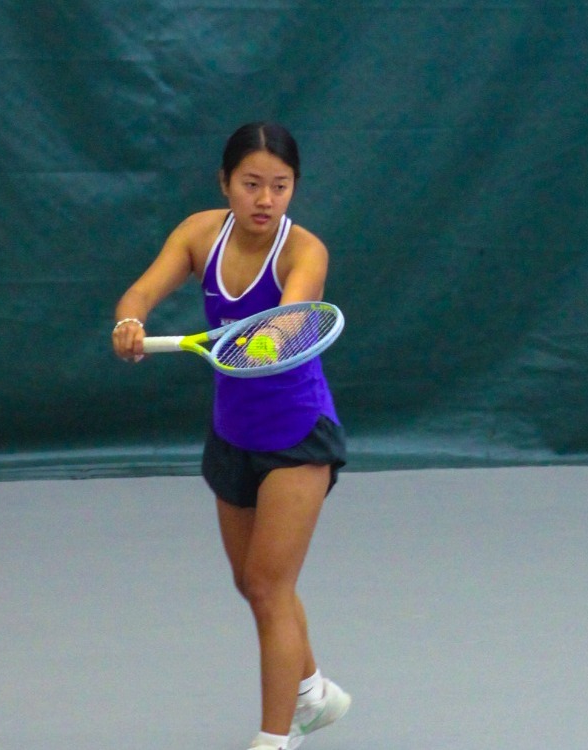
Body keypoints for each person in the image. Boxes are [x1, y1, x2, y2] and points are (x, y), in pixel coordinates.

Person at [110, 122, 351, 750]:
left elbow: (288, 325)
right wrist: (132, 320)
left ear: (294, 188)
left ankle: (275, 739)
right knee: (251, 582)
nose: (265, 200)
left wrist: (254, 336)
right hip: (232, 433)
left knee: (271, 587)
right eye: (251, 185)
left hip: (297, 435)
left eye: (280, 186)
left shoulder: (306, 253)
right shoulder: (197, 234)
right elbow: (140, 289)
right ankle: (314, 693)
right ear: (225, 184)